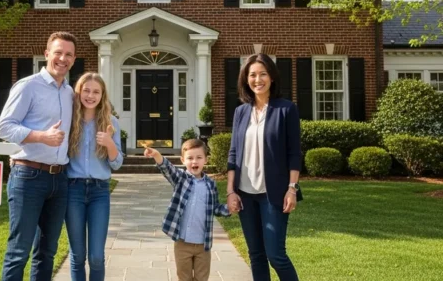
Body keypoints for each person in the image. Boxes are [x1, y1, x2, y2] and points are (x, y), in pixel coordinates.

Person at [0, 31, 77, 281]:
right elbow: (4, 127)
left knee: (47, 252)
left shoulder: (69, 92)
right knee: (19, 251)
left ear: (74, 59)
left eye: (69, 54)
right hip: (28, 176)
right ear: (46, 55)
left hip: (59, 179)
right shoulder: (28, 86)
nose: (63, 58)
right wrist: (41, 136)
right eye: (58, 53)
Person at [226, 53, 302, 281]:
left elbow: (294, 153)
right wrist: (231, 191)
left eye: (262, 74)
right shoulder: (240, 112)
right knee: (256, 255)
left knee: (275, 254)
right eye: (252, 75)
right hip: (245, 194)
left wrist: (292, 188)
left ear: (272, 78)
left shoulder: (286, 109)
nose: (257, 79)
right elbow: (233, 153)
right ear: (245, 79)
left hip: (274, 194)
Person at [64, 72, 124, 281]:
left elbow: (116, 163)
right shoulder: (69, 120)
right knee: (77, 255)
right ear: (79, 92)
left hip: (100, 192)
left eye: (96, 91)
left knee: (96, 257)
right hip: (73, 190)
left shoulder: (111, 122)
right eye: (86, 90)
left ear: (102, 95)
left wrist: (109, 144)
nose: (91, 95)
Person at [144, 139, 231, 281]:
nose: (194, 162)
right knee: (184, 277)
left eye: (199, 158)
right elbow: (167, 168)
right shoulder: (181, 178)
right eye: (190, 158)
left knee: (202, 278)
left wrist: (229, 209)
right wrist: (156, 155)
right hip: (182, 243)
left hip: (203, 244)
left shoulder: (211, 184)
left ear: (206, 160)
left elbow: (215, 208)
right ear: (183, 160)